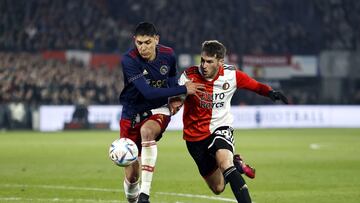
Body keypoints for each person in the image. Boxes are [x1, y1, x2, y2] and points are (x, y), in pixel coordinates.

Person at [169, 40, 288, 203]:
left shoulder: (231, 75)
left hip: (220, 128)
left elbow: (256, 86)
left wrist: (271, 93)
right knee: (218, 188)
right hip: (194, 138)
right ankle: (237, 164)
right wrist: (175, 103)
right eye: (202, 60)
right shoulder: (189, 76)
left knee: (225, 163)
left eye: (209, 62)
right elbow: (177, 99)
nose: (204, 65)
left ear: (220, 62)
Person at [118, 22, 204, 203]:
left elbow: (171, 77)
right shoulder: (129, 60)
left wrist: (174, 96)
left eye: (147, 42)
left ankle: (145, 195)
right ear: (134, 41)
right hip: (132, 114)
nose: (143, 47)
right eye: (139, 43)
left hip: (158, 109)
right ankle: (134, 197)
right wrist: (181, 90)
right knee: (132, 176)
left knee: (147, 132)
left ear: (156, 39)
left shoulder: (168, 54)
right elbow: (148, 92)